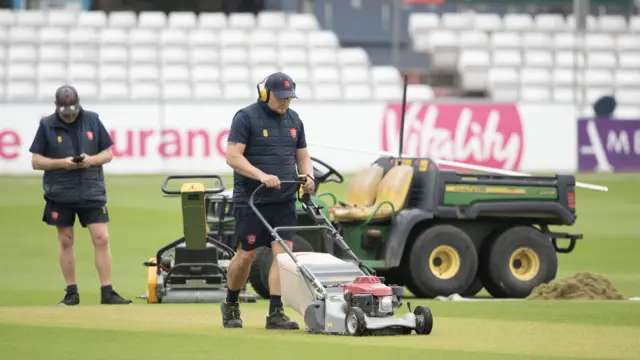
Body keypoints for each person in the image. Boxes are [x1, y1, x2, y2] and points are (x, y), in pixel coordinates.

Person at [221, 72, 315, 329]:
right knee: (247, 254)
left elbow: (303, 158)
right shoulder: (245, 117)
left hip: (284, 200)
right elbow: (232, 156)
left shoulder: (295, 120)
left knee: (283, 255)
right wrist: (261, 176)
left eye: (289, 98)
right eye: (280, 97)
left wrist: (308, 176)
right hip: (251, 200)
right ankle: (230, 302)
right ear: (265, 94)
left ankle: (275, 312)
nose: (285, 103)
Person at [29, 85, 132, 306]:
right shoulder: (47, 125)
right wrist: (62, 164)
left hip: (91, 189)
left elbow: (108, 154)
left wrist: (90, 160)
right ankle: (71, 292)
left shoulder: (93, 120)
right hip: (60, 191)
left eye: (72, 110)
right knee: (65, 240)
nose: (69, 115)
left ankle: (107, 291)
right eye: (65, 111)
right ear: (57, 108)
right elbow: (36, 161)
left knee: (101, 237)